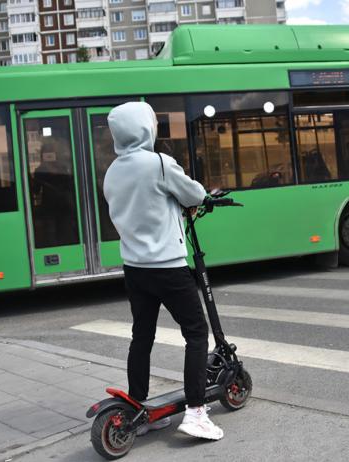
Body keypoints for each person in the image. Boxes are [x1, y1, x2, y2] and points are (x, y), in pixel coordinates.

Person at [102, 102, 224, 441]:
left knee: (142, 336)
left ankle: (138, 406)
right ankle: (197, 413)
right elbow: (194, 193)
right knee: (196, 333)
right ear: (144, 129)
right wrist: (197, 198)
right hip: (168, 267)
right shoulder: (158, 163)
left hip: (135, 269)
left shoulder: (112, 171)